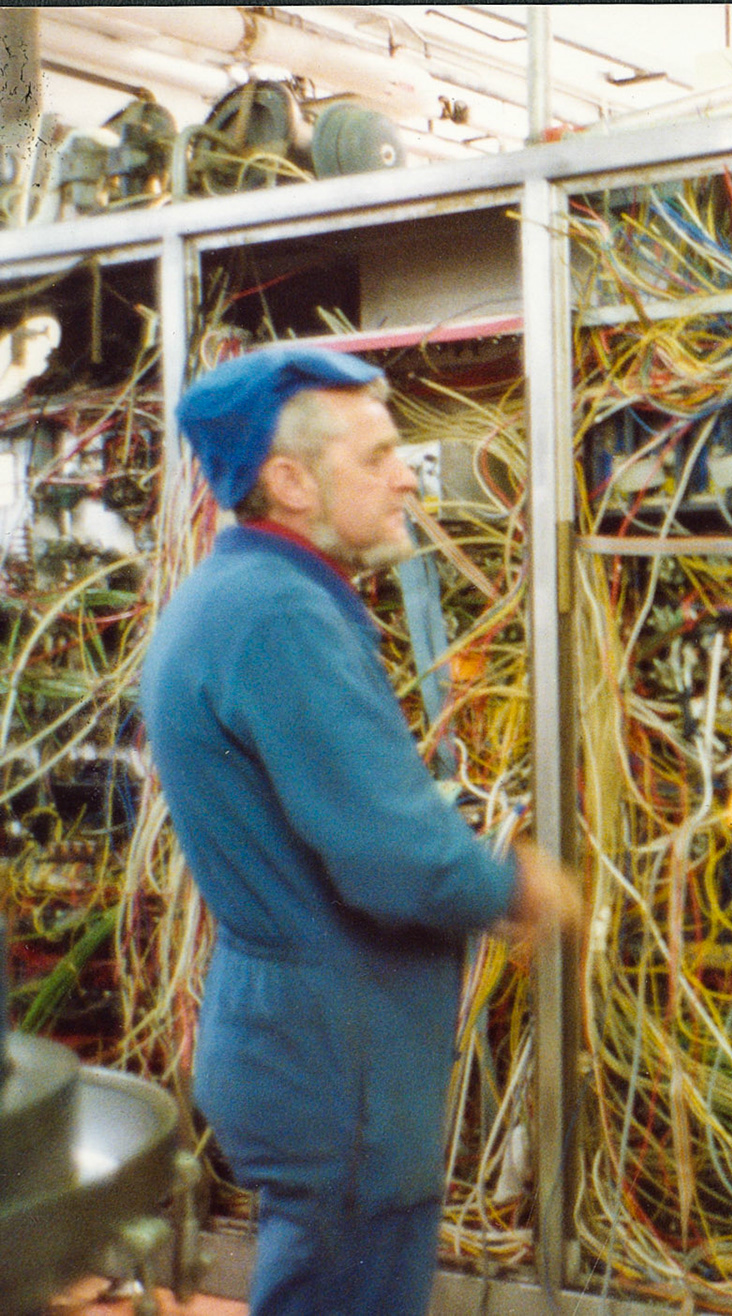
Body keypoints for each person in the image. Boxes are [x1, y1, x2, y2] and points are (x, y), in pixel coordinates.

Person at [140, 344, 578, 1316]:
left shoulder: (237, 600)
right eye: (376, 453)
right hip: (337, 1056)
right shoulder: (280, 615)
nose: (406, 471)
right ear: (290, 481)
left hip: (308, 1039)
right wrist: (514, 885)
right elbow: (391, 856)